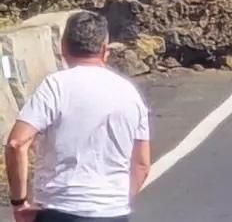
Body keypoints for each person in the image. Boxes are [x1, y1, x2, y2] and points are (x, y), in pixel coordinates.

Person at [5, 12, 152, 222]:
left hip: (59, 210)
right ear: (105, 50)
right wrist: (112, 200)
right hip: (113, 213)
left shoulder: (55, 86)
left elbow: (17, 143)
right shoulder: (130, 93)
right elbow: (142, 165)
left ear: (63, 47)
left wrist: (19, 203)